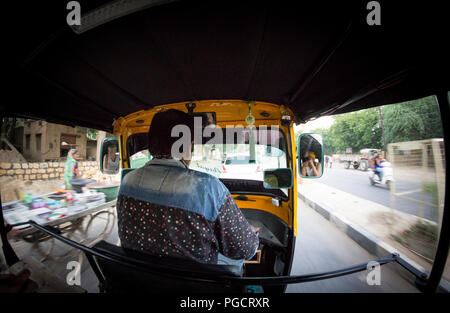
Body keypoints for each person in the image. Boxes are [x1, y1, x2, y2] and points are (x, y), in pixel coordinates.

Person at [116, 109, 259, 268]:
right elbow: (247, 249)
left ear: (151, 144)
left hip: (137, 279)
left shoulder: (127, 182)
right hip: (195, 285)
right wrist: (249, 233)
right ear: (186, 146)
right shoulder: (208, 189)